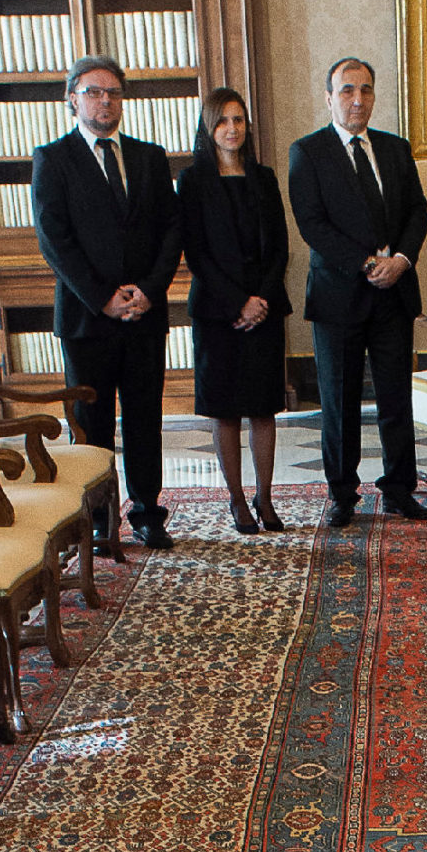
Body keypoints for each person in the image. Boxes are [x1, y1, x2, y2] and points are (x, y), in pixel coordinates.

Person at [30, 54, 183, 550]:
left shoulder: (149, 157)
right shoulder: (53, 159)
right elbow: (54, 239)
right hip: (86, 318)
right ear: (72, 99)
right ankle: (98, 518)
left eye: (114, 92)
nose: (105, 101)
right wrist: (103, 298)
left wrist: (149, 290)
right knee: (91, 425)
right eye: (94, 92)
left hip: (143, 313)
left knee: (144, 418)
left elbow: (171, 230)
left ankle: (147, 512)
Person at [287, 57, 427, 524]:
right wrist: (367, 263)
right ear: (329, 98)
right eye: (347, 90)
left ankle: (399, 489)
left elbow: (418, 211)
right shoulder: (308, 152)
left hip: (394, 292)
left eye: (366, 89)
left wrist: (401, 261)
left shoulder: (395, 148)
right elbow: (312, 224)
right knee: (340, 401)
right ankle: (343, 495)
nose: (357, 99)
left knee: (396, 398)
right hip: (339, 296)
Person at [176, 88, 291, 535]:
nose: (232, 128)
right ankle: (238, 499)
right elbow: (197, 253)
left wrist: (260, 299)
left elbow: (279, 247)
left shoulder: (264, 178)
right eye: (222, 121)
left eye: (238, 119)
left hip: (264, 308)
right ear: (209, 128)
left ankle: (266, 497)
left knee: (264, 408)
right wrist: (237, 303)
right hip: (217, 312)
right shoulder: (192, 181)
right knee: (225, 409)